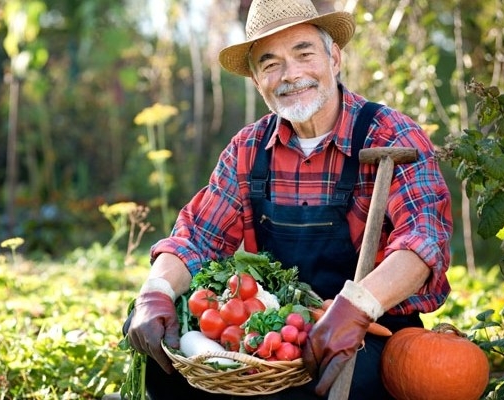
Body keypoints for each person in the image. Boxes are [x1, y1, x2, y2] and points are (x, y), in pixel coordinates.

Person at [123, 0, 453, 399]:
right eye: (270, 63)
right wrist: (155, 292)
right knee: (163, 367)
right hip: (278, 332)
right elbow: (197, 238)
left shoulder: (391, 136)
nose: (290, 74)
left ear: (334, 57)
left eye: (303, 52)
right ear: (258, 81)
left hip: (371, 330)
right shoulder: (249, 148)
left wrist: (358, 305)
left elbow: (422, 240)